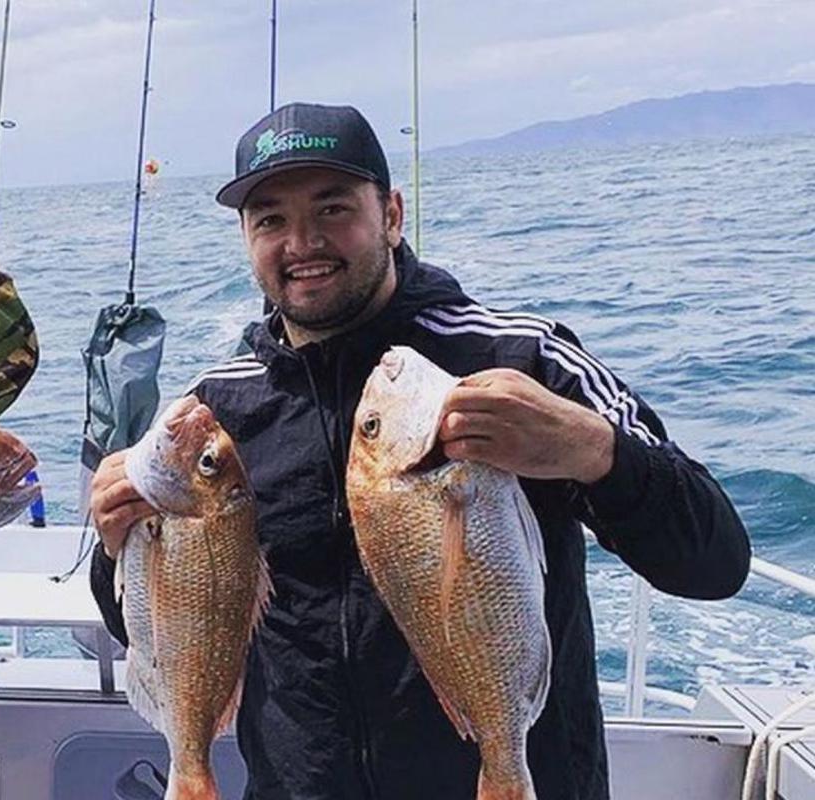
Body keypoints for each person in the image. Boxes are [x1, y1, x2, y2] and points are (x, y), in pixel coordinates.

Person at [88, 102, 751, 799]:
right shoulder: (212, 414)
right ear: (247, 239)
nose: (302, 242)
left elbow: (714, 563)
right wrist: (117, 547)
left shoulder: (521, 359)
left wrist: (594, 450)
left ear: (393, 215)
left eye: (333, 208)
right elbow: (158, 622)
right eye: (271, 221)